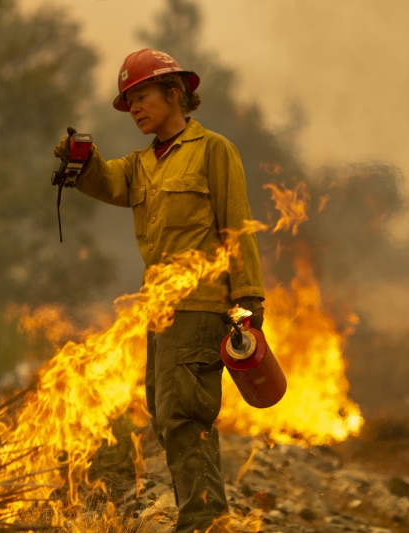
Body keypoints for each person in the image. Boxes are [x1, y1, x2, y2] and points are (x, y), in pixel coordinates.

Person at [55, 48, 265, 533]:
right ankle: (204, 516)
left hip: (200, 306)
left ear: (175, 94)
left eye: (142, 96)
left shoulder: (213, 150)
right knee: (167, 414)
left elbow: (238, 226)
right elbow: (108, 182)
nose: (134, 109)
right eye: (128, 102)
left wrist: (249, 299)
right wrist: (79, 162)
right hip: (160, 311)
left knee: (185, 414)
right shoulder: (143, 164)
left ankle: (205, 521)